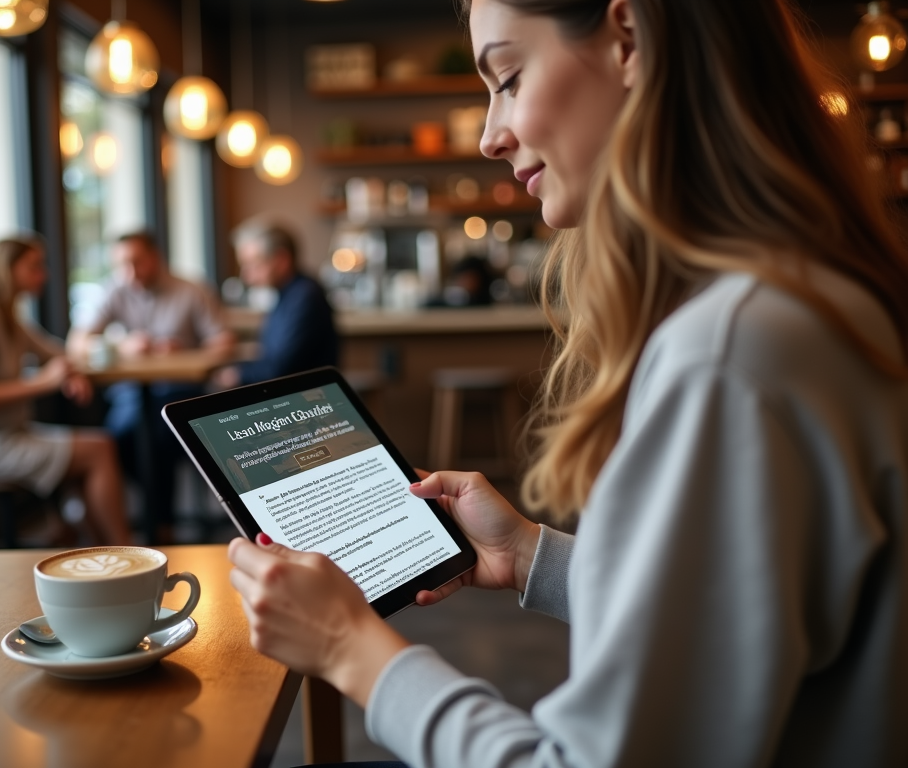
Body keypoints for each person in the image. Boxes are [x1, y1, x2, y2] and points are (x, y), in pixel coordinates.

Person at [227, 1, 908, 767]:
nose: (489, 135)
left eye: (509, 77)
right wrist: (529, 555)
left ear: (628, 38)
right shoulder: (808, 303)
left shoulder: (728, 353)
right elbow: (730, 621)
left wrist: (349, 648)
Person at [0, 237, 132, 545]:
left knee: (94, 447)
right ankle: (123, 549)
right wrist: (45, 382)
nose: (44, 274)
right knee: (99, 449)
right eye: (35, 266)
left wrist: (69, 373)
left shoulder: (4, 315)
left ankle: (95, 546)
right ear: (7, 269)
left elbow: (55, 353)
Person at [68, 231, 233, 538]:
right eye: (121, 265)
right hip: (132, 391)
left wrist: (185, 351)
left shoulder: (191, 290)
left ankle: (160, 524)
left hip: (181, 389)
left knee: (159, 436)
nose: (130, 273)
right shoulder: (115, 290)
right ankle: (152, 521)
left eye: (137, 262)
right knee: (120, 437)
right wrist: (122, 346)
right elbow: (77, 341)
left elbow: (224, 341)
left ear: (156, 258)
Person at [214, 222, 338, 389]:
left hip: (305, 400)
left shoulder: (305, 298)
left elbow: (280, 369)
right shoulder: (287, 294)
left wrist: (238, 374)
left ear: (281, 260)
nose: (245, 274)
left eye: (253, 264)